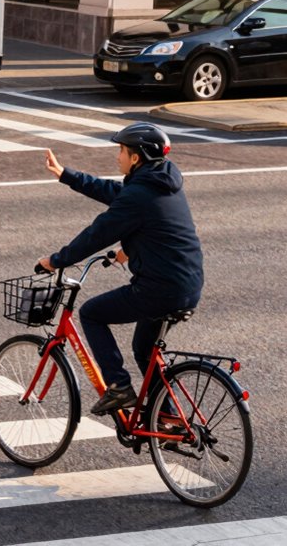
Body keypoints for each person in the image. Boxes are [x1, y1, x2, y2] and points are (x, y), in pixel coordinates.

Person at [36, 123, 204, 416]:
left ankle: (119, 387)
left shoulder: (140, 194)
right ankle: (167, 418)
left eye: (122, 151)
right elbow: (123, 199)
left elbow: (97, 235)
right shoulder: (161, 183)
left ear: (136, 158)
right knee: (143, 349)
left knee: (91, 313)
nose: (118, 157)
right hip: (187, 284)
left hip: (160, 289)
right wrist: (67, 175)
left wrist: (57, 260)